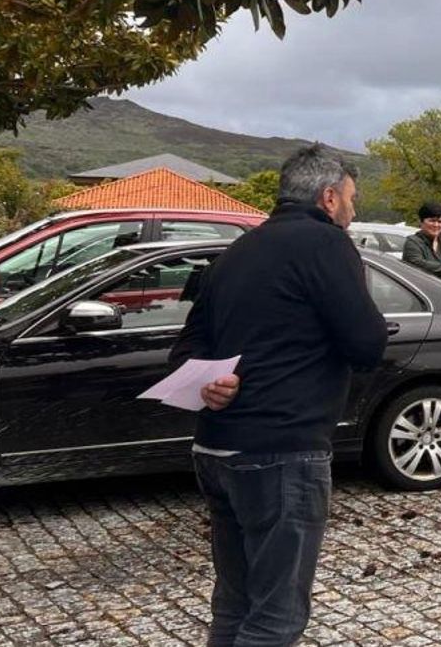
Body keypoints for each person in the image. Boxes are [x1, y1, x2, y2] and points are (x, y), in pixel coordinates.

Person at [173, 145, 388, 645]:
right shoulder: (326, 245)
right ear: (329, 197)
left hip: (215, 449)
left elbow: (187, 346)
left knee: (233, 603)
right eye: (353, 198)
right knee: (275, 616)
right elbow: (366, 344)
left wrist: (204, 382)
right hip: (282, 451)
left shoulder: (234, 253)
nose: (355, 211)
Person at [401, 201, 441, 283]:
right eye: (432, 220)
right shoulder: (412, 242)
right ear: (421, 221)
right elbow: (417, 266)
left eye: (440, 221)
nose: (436, 225)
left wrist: (437, 274)